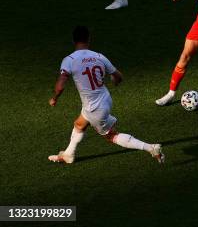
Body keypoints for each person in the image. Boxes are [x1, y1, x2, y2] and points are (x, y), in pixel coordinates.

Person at [48, 26, 164, 164]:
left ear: (73, 40)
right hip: (105, 99)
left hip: (94, 107)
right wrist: (114, 80)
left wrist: (54, 98)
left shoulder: (69, 60)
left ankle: (151, 148)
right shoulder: (99, 56)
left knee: (111, 136)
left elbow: (60, 87)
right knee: (79, 124)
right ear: (89, 39)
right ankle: (68, 154)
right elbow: (118, 77)